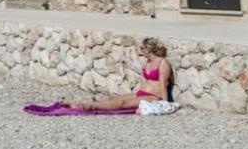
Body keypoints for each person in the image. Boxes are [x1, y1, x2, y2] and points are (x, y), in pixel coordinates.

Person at [41, 40, 177, 115]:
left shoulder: (163, 63)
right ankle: (92, 103)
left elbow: (162, 83)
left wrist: (164, 102)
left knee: (122, 104)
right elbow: (145, 81)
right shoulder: (147, 62)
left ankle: (88, 106)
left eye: (143, 49)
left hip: (154, 96)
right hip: (141, 93)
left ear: (149, 49)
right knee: (115, 99)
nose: (141, 51)